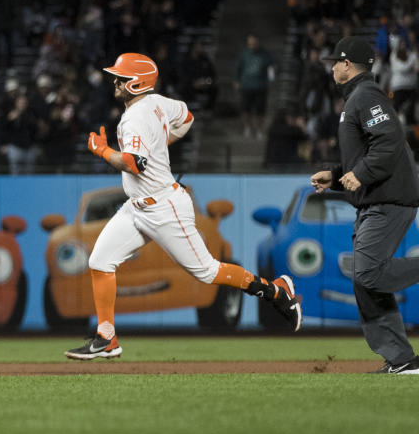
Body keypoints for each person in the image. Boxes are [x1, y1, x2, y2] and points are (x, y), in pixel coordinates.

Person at [65, 53, 302, 360]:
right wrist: (160, 144)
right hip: (137, 207)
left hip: (164, 206)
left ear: (137, 84)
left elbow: (134, 164)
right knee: (100, 261)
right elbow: (187, 118)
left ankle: (276, 290)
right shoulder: (160, 102)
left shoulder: (133, 118)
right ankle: (106, 337)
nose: (115, 82)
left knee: (206, 271)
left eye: (122, 78)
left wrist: (103, 151)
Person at [311, 37, 419, 374]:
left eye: (335, 61)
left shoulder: (366, 96)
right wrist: (336, 174)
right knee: (365, 280)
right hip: (376, 199)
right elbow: (369, 152)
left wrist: (362, 172)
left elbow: (388, 144)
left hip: (388, 199)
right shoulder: (358, 99)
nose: (332, 68)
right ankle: (402, 360)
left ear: (347, 64)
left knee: (368, 273)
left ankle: (400, 357)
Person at [235, 34, 274, 139]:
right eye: (250, 43)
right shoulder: (244, 54)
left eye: (254, 43)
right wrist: (237, 81)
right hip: (246, 86)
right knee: (245, 109)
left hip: (261, 86)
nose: (252, 45)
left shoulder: (265, 54)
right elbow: (239, 68)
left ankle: (259, 130)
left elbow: (271, 67)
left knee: (260, 111)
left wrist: (271, 80)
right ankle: (247, 128)